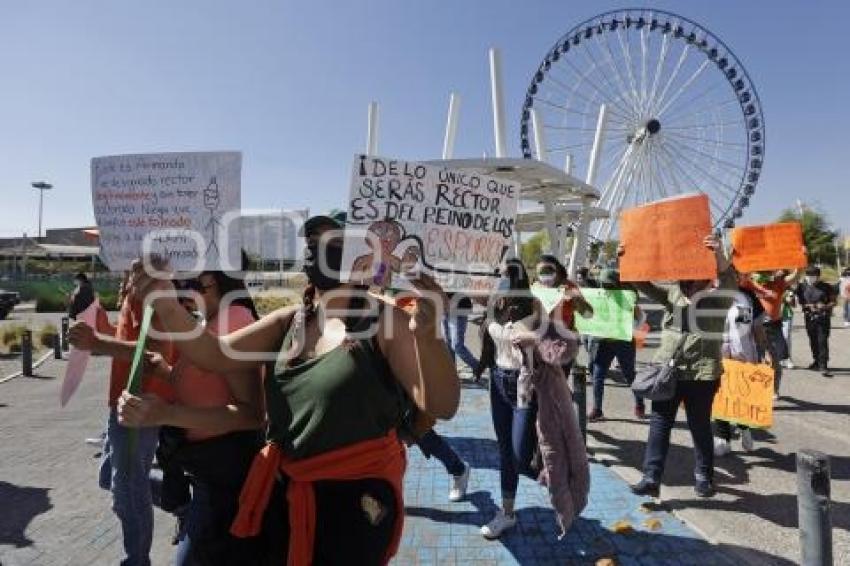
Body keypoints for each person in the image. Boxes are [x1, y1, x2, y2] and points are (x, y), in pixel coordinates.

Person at [125, 212, 460, 564]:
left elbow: (441, 405)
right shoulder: (292, 320)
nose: (316, 250)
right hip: (289, 494)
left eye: (331, 242)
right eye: (312, 243)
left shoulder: (384, 320)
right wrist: (164, 301)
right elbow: (213, 354)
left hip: (355, 508)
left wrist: (428, 337)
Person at [119, 271, 266, 565]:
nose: (178, 284)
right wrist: (167, 373)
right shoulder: (209, 320)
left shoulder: (231, 320)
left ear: (211, 278)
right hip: (205, 474)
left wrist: (167, 413)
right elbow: (208, 388)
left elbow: (251, 415)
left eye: (186, 278)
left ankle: (182, 508)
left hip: (225, 479)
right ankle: (182, 508)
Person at [69, 277, 177, 566]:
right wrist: (95, 329)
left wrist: (96, 340)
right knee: (112, 478)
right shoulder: (135, 288)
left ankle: (136, 560)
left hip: (141, 402)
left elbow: (155, 353)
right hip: (123, 398)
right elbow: (127, 341)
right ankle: (184, 500)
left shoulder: (152, 289)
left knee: (127, 490)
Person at [623, 235, 733, 499]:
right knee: (659, 425)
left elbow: (729, 278)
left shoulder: (718, 299)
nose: (688, 283)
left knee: (699, 426)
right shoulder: (672, 294)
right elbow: (641, 282)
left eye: (695, 278)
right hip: (668, 371)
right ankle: (651, 477)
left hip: (702, 373)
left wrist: (719, 254)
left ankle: (704, 477)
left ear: (707, 278)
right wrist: (627, 258)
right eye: (685, 278)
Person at [474, 259, 542, 539]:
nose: (498, 280)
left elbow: (555, 341)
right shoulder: (493, 303)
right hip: (498, 382)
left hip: (524, 384)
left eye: (503, 276)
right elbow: (453, 292)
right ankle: (507, 513)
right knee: (506, 452)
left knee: (518, 455)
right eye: (496, 275)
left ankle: (542, 458)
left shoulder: (535, 305)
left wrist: (532, 338)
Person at [713, 282, 768, 456]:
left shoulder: (746, 297)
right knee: (720, 394)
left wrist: (764, 351)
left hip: (742, 353)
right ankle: (723, 438)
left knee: (740, 395)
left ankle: (744, 428)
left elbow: (753, 327)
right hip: (715, 352)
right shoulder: (708, 293)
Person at [587, 268, 646, 421]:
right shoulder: (599, 297)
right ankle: (597, 409)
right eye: (604, 285)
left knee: (629, 375)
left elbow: (640, 318)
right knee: (598, 376)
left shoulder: (627, 298)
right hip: (603, 342)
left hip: (623, 342)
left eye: (610, 285)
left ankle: (639, 403)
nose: (606, 288)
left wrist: (628, 329)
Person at [742, 267, 802, 397]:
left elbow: (795, 276)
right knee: (754, 359)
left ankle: (774, 389)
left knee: (775, 360)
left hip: (772, 326)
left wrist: (800, 263)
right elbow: (739, 279)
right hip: (753, 327)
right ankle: (753, 390)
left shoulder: (778, 283)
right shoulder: (750, 283)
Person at [534, 254, 590, 379]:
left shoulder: (569, 287)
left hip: (563, 345)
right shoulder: (536, 287)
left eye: (547, 271)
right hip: (540, 343)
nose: (543, 276)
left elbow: (587, 314)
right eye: (540, 273)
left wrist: (576, 299)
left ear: (557, 270)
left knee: (559, 383)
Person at [796, 266, 836, 377]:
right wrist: (808, 306)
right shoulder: (802, 287)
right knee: (813, 340)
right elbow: (799, 302)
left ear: (818, 276)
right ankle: (816, 361)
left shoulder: (826, 287)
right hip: (809, 317)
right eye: (808, 276)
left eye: (813, 276)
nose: (810, 278)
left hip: (822, 318)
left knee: (822, 340)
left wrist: (824, 306)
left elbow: (833, 301)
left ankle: (823, 365)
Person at [442, 292, 479, 377]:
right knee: (447, 345)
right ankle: (451, 372)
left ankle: (477, 366)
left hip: (459, 307)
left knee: (457, 345)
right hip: (443, 307)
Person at [781, 288, 797, 369]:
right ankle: (779, 359)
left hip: (786, 316)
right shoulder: (770, 285)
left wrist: (789, 298)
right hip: (772, 315)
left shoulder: (789, 290)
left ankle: (788, 359)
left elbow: (793, 304)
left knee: (786, 337)